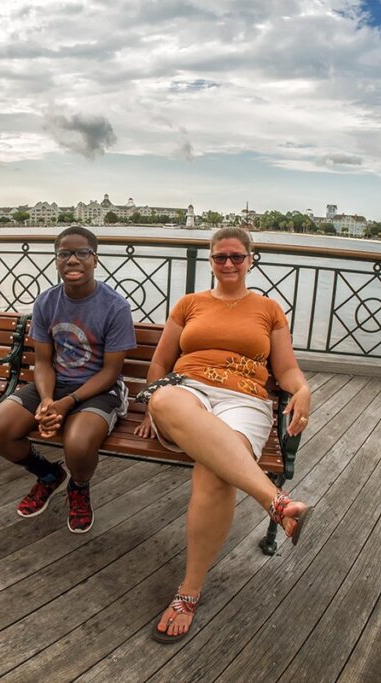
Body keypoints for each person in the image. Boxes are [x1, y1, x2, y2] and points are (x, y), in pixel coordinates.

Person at [133, 226, 311, 643]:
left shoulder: (268, 309)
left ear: (251, 259)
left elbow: (285, 370)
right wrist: (147, 404)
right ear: (210, 261)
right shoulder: (189, 304)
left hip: (245, 399)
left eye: (236, 256)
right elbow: (160, 364)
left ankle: (188, 592)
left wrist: (302, 388)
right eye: (220, 257)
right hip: (188, 392)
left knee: (215, 473)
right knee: (164, 400)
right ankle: (275, 500)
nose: (228, 264)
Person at [0, 226, 136, 533]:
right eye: (64, 254)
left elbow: (110, 372)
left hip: (98, 390)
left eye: (82, 253)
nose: (72, 260)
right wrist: (48, 399)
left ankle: (78, 486)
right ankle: (49, 475)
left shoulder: (115, 307)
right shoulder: (46, 302)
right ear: (56, 260)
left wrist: (67, 403)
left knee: (77, 445)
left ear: (95, 259)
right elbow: (43, 361)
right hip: (54, 385)